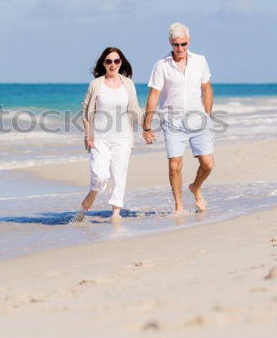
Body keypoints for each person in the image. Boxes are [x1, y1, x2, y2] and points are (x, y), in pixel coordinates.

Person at [142, 23, 214, 214]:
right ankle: (179, 206)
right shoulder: (161, 66)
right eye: (176, 45)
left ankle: (196, 187)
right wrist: (146, 126)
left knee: (208, 164)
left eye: (183, 44)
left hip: (199, 120)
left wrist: (207, 115)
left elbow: (206, 88)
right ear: (170, 43)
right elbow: (154, 95)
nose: (180, 49)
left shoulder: (200, 61)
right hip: (172, 121)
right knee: (175, 165)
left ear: (189, 42)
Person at [78, 47, 143, 221]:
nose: (112, 64)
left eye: (116, 61)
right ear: (103, 63)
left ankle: (115, 213)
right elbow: (85, 110)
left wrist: (146, 128)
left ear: (121, 62)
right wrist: (88, 133)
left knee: (118, 175)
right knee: (100, 174)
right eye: (108, 61)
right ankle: (93, 191)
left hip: (123, 138)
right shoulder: (96, 84)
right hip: (99, 137)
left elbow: (135, 108)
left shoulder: (127, 84)